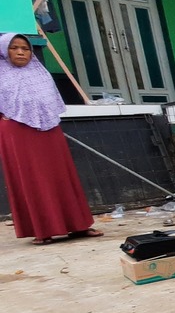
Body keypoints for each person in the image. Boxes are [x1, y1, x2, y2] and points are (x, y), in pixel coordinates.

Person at [0, 33, 102, 245]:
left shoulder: (41, 73)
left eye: (25, 48)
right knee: (31, 178)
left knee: (62, 175)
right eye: (14, 48)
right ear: (3, 50)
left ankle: (79, 226)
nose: (20, 52)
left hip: (49, 130)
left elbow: (51, 101)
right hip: (18, 133)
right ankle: (42, 229)